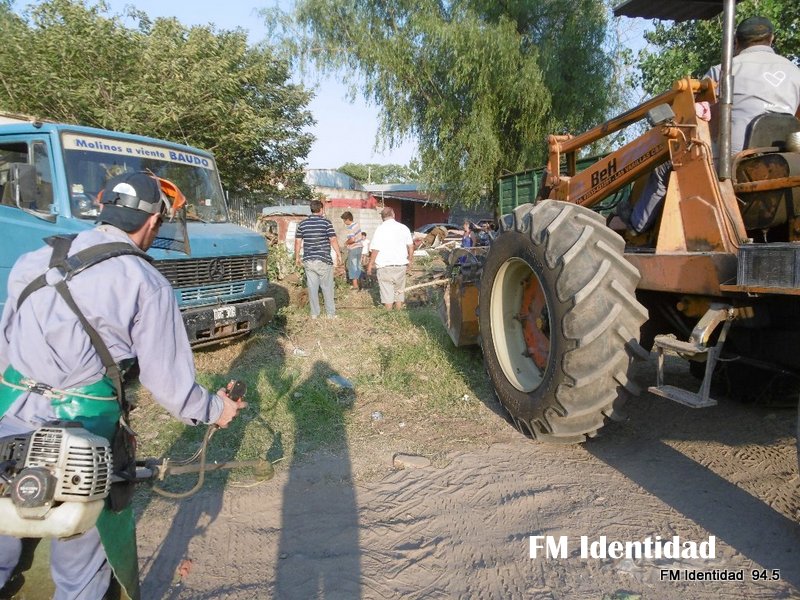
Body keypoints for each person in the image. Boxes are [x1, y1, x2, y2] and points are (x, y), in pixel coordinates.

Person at [0, 172, 245, 599]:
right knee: (81, 561)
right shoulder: (145, 282)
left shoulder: (34, 259)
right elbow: (166, 380)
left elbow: (5, 342)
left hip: (10, 414)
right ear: (152, 222)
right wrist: (215, 409)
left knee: (3, 515)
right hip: (81, 434)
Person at [629, 16, 800, 234]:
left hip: (734, 160)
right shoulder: (795, 72)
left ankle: (635, 226)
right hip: (779, 159)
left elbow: (697, 122)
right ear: (771, 39)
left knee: (664, 169)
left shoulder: (721, 72)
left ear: (736, 43)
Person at [295, 200, 342, 319]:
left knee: (312, 288)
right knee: (327, 287)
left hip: (309, 260)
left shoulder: (303, 224)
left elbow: (298, 241)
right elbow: (332, 239)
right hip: (323, 259)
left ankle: (314, 314)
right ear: (321, 209)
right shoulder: (326, 223)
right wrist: (338, 254)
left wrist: (297, 257)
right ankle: (330, 314)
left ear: (311, 209)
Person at [367, 207, 414, 310]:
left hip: (385, 267)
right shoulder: (404, 228)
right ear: (393, 214)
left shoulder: (380, 229)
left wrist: (370, 265)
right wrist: (410, 261)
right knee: (399, 292)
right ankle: (398, 315)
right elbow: (411, 247)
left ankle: (389, 316)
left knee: (387, 292)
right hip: (401, 266)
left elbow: (375, 249)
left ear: (382, 218)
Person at [340, 211, 363, 290]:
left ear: (347, 219)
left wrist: (346, 243)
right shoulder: (357, 224)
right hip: (360, 247)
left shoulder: (350, 227)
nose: (344, 222)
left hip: (353, 248)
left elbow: (352, 239)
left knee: (352, 266)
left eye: (344, 220)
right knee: (358, 265)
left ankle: (355, 286)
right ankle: (360, 283)